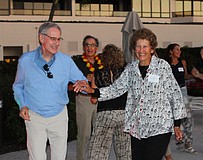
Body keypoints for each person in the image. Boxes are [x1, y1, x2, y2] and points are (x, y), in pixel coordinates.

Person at [78, 28, 187, 160]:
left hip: (159, 126)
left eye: (145, 47)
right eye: (138, 47)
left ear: (152, 49)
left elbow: (175, 94)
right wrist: (93, 91)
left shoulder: (162, 66)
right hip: (137, 128)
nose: (141, 50)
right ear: (134, 49)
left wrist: (177, 124)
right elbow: (116, 89)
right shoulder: (131, 68)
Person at [12, 22, 87, 160]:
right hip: (34, 116)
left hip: (59, 116)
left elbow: (84, 82)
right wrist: (22, 104)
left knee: (59, 157)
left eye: (59, 39)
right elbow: (18, 86)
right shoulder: (26, 60)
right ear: (42, 38)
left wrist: (82, 84)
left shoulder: (66, 61)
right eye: (53, 38)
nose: (57, 43)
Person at [88, 44, 131, 160]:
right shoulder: (126, 72)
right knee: (124, 151)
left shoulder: (98, 74)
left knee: (99, 150)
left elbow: (93, 99)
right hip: (123, 114)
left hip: (104, 114)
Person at [72, 35, 103, 160]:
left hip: (100, 99)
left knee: (99, 133)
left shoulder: (102, 62)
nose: (90, 48)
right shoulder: (77, 62)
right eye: (87, 45)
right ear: (83, 47)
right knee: (84, 134)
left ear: (96, 48)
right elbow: (71, 82)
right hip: (84, 99)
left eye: (93, 45)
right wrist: (85, 78)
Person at [165, 43, 197, 156]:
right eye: (177, 49)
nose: (179, 51)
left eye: (180, 50)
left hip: (182, 91)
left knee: (187, 118)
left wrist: (194, 75)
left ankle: (188, 143)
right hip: (169, 92)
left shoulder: (182, 63)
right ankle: (167, 145)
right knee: (170, 119)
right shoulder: (166, 64)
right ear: (170, 52)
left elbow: (185, 76)